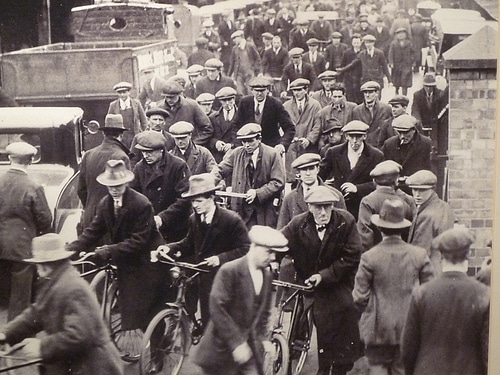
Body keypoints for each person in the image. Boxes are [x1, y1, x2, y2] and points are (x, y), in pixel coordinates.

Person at [0, 233, 124, 375]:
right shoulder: (54, 281)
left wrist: (42, 347)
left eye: (37, 264)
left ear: (45, 265)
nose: (37, 270)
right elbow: (35, 313)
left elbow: (80, 334)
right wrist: (6, 333)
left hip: (93, 367)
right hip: (74, 364)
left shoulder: (72, 287)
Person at [67, 160, 166, 334]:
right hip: (126, 257)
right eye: (110, 185)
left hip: (147, 260)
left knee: (149, 312)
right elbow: (93, 231)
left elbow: (139, 241)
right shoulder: (106, 203)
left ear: (126, 183)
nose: (114, 189)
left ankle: (158, 351)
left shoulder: (141, 204)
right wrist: (70, 249)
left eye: (118, 185)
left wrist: (109, 249)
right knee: (130, 307)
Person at [281, 186, 363, 375]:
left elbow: (351, 256)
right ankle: (289, 357)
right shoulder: (297, 224)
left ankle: (334, 366)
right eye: (318, 207)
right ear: (309, 207)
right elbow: (281, 243)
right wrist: (270, 258)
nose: (323, 212)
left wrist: (324, 275)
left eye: (327, 207)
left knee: (341, 316)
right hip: (306, 281)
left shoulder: (346, 221)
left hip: (337, 281)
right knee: (297, 320)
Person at [193, 225, 288, 375]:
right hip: (221, 352)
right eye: (269, 252)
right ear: (254, 247)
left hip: (249, 351)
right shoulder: (230, 271)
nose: (273, 257)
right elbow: (217, 307)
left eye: (274, 253)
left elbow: (263, 314)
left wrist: (264, 339)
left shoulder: (267, 275)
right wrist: (236, 343)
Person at [353, 199, 433, 375]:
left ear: (380, 228)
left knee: (377, 370)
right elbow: (429, 293)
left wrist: (368, 312)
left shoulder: (369, 257)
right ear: (403, 228)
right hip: (409, 328)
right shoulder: (419, 255)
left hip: (377, 330)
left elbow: (359, 297)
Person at [157, 173, 250, 327]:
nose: (195, 205)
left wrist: (219, 259)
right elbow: (188, 244)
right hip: (204, 277)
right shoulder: (194, 219)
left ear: (212, 198)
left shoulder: (231, 220)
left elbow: (245, 249)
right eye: (193, 201)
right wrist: (169, 248)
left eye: (199, 201)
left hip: (226, 279)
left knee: (220, 324)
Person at [402, 228, 489, 375]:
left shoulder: (422, 293)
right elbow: (488, 348)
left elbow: (408, 346)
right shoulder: (483, 294)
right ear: (468, 255)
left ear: (441, 256)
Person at [0, 142, 52, 321]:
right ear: (30, 161)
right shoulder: (33, 186)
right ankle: (14, 340)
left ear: (9, 159)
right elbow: (45, 219)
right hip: (22, 249)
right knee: (20, 299)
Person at [214, 123, 285, 228]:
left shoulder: (272, 154)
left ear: (259, 139)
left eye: (250, 141)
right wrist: (208, 183)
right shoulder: (236, 153)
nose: (246, 145)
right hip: (241, 210)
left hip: (264, 211)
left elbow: (278, 182)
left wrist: (258, 193)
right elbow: (220, 170)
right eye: (244, 141)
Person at [129, 130, 192, 243]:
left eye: (150, 152)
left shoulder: (178, 166)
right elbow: (133, 195)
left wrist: (162, 218)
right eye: (143, 151)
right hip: (150, 225)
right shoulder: (140, 167)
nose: (145, 155)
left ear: (161, 150)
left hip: (175, 227)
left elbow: (185, 199)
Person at [319, 120, 384, 220]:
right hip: (339, 205)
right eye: (351, 136)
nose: (354, 140)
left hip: (364, 206)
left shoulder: (376, 155)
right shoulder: (334, 152)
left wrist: (357, 188)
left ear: (365, 136)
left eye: (358, 136)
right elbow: (320, 176)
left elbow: (380, 184)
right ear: (346, 136)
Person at [78, 114, 131, 232]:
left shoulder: (89, 154)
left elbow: (81, 190)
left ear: (103, 134)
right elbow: (126, 191)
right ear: (121, 135)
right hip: (113, 218)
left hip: (90, 215)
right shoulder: (122, 157)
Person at [356, 160, 416, 252]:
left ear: (374, 181)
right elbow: (414, 231)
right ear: (396, 181)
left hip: (376, 257)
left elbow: (365, 236)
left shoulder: (368, 201)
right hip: (404, 255)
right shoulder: (408, 200)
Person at [406, 170, 455, 275]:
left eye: (422, 190)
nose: (417, 195)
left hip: (427, 270)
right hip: (441, 266)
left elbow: (419, 249)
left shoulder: (426, 215)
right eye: (414, 190)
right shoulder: (444, 206)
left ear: (432, 189)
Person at [278, 153, 345, 229]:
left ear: (318, 169)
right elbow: (282, 231)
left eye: (311, 168)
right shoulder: (289, 199)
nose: (308, 173)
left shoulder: (335, 196)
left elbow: (344, 228)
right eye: (304, 169)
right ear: (298, 173)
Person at [235, 76, 295, 154]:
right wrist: (238, 144)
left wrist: (282, 145)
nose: (259, 93)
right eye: (257, 91)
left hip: (270, 149)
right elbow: (236, 126)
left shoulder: (275, 104)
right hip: (248, 149)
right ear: (252, 91)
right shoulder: (244, 102)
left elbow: (290, 128)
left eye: (262, 91)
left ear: (267, 90)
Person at [283, 78, 322, 181]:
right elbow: (281, 125)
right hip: (291, 146)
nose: (297, 93)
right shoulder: (286, 106)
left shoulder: (315, 105)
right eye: (294, 90)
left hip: (308, 146)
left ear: (306, 90)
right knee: (292, 177)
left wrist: (309, 139)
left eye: (299, 90)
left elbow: (318, 126)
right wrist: (287, 139)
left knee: (308, 175)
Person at [155, 80, 214, 147]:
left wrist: (193, 144)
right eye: (166, 97)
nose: (169, 100)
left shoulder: (192, 105)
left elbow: (207, 129)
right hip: (167, 150)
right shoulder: (159, 108)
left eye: (172, 97)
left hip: (188, 151)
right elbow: (154, 130)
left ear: (179, 95)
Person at [381, 114, 432, 179]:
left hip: (417, 185)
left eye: (406, 132)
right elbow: (384, 166)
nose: (402, 136)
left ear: (414, 130)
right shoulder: (389, 144)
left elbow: (429, 169)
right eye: (399, 132)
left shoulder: (426, 143)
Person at [107, 81, 148, 148]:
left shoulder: (136, 103)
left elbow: (143, 121)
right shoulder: (113, 105)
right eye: (120, 93)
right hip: (121, 138)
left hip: (134, 136)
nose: (122, 95)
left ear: (129, 92)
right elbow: (109, 123)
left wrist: (144, 135)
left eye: (124, 92)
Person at [351, 81, 392, 147]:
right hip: (364, 145)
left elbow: (389, 130)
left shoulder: (386, 109)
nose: (367, 95)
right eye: (365, 92)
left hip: (381, 145)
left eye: (370, 92)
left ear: (377, 93)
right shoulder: (357, 110)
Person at [227, 30, 261, 96]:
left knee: (250, 91)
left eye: (235, 38)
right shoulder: (235, 49)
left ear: (241, 37)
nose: (234, 40)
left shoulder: (250, 46)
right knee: (240, 91)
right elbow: (232, 63)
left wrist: (254, 69)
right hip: (239, 74)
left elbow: (258, 58)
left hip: (249, 73)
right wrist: (229, 75)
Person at [209, 86, 238, 162]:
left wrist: (232, 145)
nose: (227, 103)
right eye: (224, 101)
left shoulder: (242, 116)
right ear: (220, 101)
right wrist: (216, 143)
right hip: (217, 157)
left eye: (230, 99)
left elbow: (246, 136)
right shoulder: (213, 117)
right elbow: (208, 137)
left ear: (234, 99)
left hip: (236, 155)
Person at [388, 28, 416, 96]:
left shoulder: (409, 43)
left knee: (405, 81)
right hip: (397, 65)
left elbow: (413, 53)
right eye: (399, 34)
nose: (401, 35)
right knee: (397, 80)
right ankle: (397, 90)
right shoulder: (394, 43)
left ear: (405, 35)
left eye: (402, 34)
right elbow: (390, 53)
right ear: (396, 35)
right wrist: (391, 62)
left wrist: (412, 61)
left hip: (406, 64)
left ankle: (404, 95)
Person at [338, 33, 363, 104]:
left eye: (358, 43)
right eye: (354, 43)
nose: (356, 44)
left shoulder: (363, 52)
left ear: (361, 42)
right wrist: (341, 80)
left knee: (360, 97)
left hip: (360, 79)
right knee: (350, 98)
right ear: (352, 43)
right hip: (349, 79)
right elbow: (342, 65)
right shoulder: (347, 53)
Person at [218, 10, 237, 74]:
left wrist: (235, 40)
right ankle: (226, 71)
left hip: (232, 44)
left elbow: (235, 32)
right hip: (225, 46)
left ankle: (233, 70)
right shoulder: (221, 25)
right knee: (226, 59)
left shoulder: (233, 24)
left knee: (233, 56)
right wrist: (223, 42)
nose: (225, 18)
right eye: (224, 17)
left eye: (226, 17)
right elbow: (220, 35)